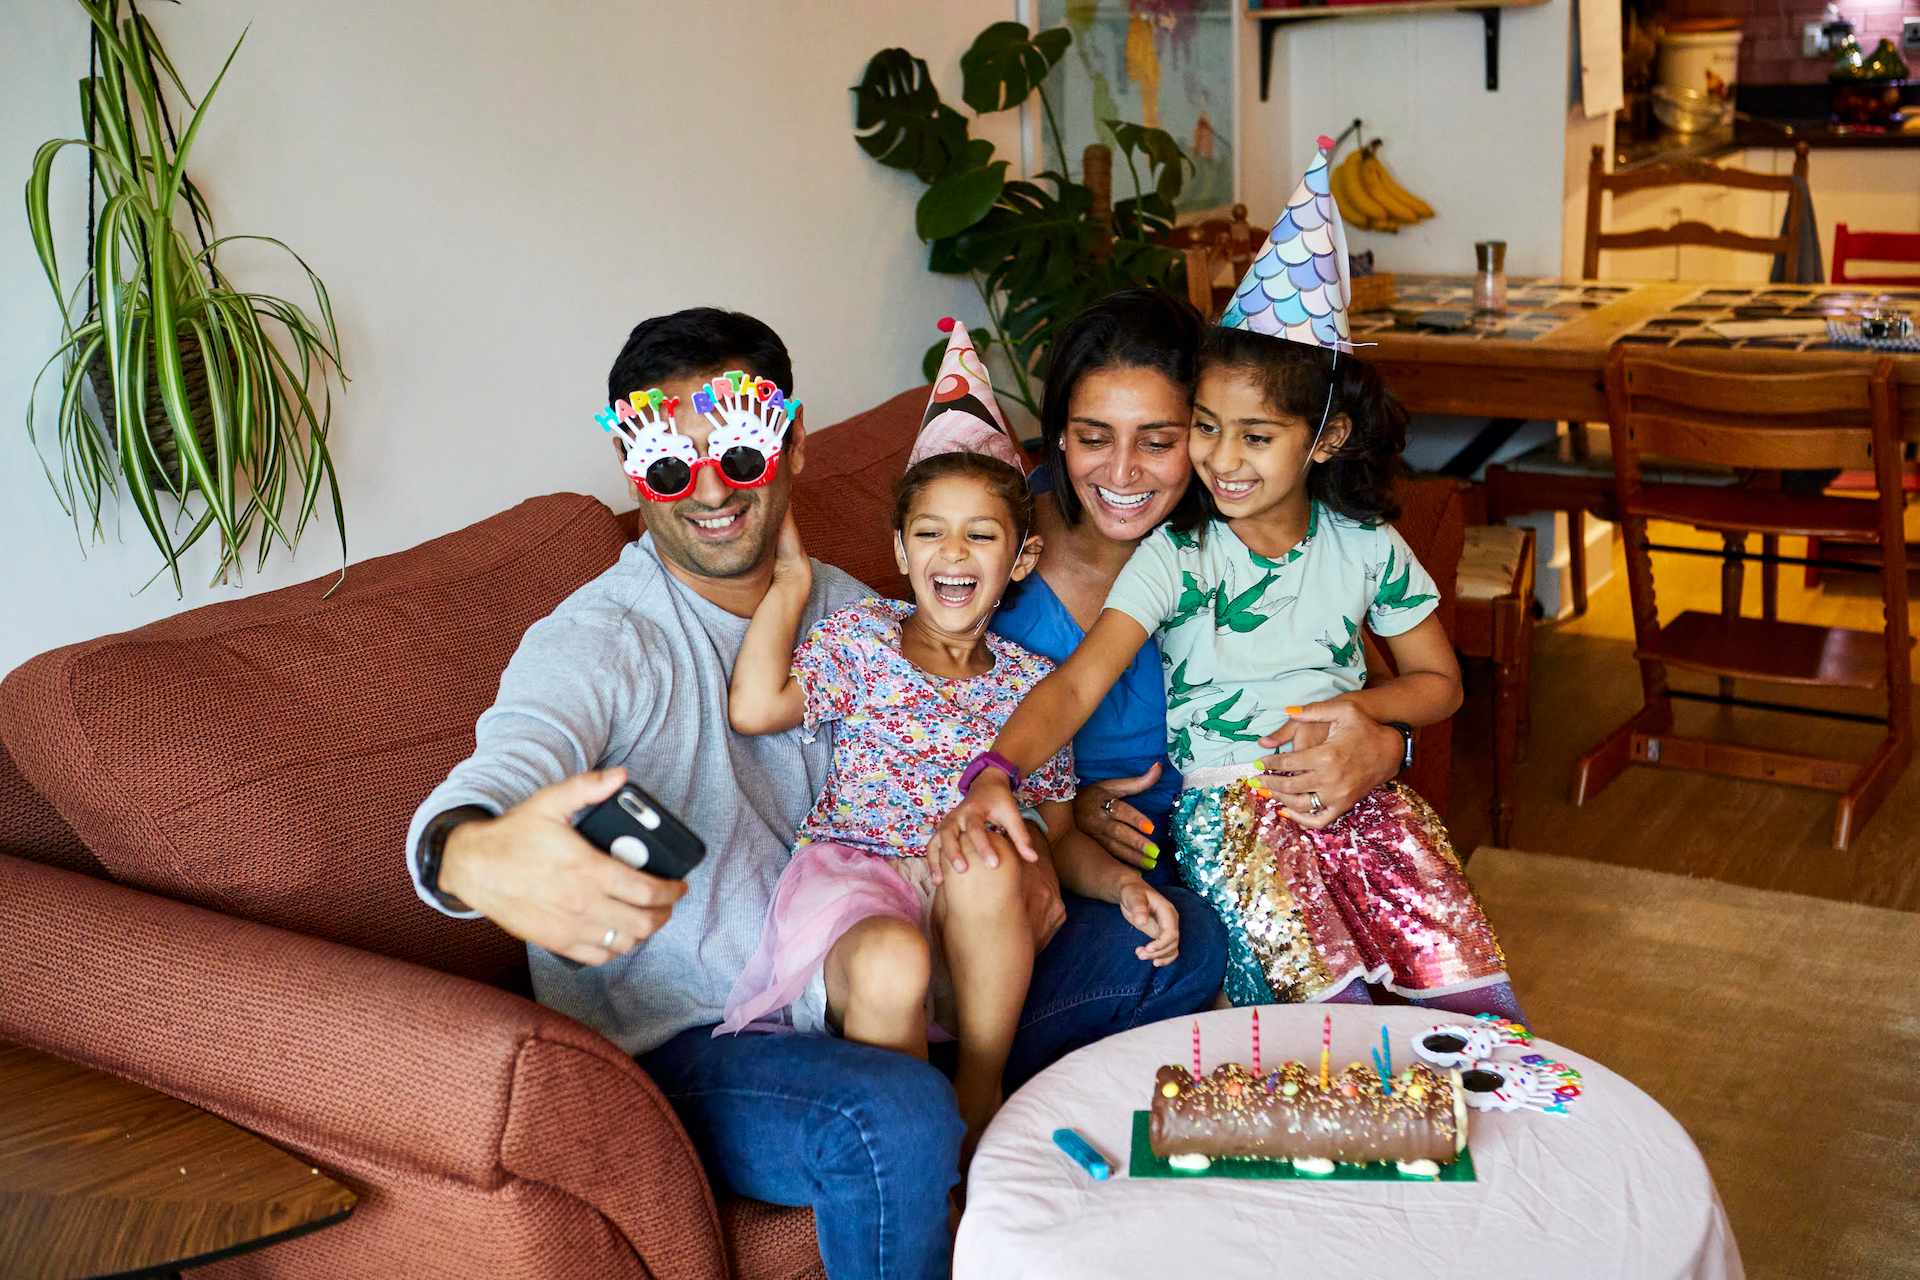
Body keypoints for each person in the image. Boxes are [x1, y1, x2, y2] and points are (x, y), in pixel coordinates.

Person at [404, 307, 1223, 1280]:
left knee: (1174, 934)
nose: (708, 490)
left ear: (793, 443)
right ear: (634, 468)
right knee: (897, 1115)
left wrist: (1054, 823)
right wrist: (470, 851)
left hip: (873, 961)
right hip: (705, 1032)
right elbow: (505, 761)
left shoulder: (850, 606)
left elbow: (952, 739)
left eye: (740, 453)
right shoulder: (602, 640)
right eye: (672, 463)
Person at [935, 142, 1523, 1022]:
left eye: (1166, 437)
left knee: (1432, 963)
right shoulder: (997, 555)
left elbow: (1411, 683)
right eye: (1094, 435)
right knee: (1265, 981)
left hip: (1306, 810)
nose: (1127, 469)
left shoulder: (1296, 536)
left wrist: (1378, 737)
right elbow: (1029, 696)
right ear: (1052, 437)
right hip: (1167, 840)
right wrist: (1046, 805)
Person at [721, 439, 1182, 1148]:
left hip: (978, 909)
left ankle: (978, 1091)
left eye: (981, 534)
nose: (954, 551)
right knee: (889, 961)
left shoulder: (1032, 688)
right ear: (902, 553)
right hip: (862, 881)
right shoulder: (864, 639)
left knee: (985, 853)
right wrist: (791, 583)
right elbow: (754, 708)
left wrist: (1122, 884)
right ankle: (918, 1148)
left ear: (1021, 558)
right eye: (930, 533)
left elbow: (1054, 835)